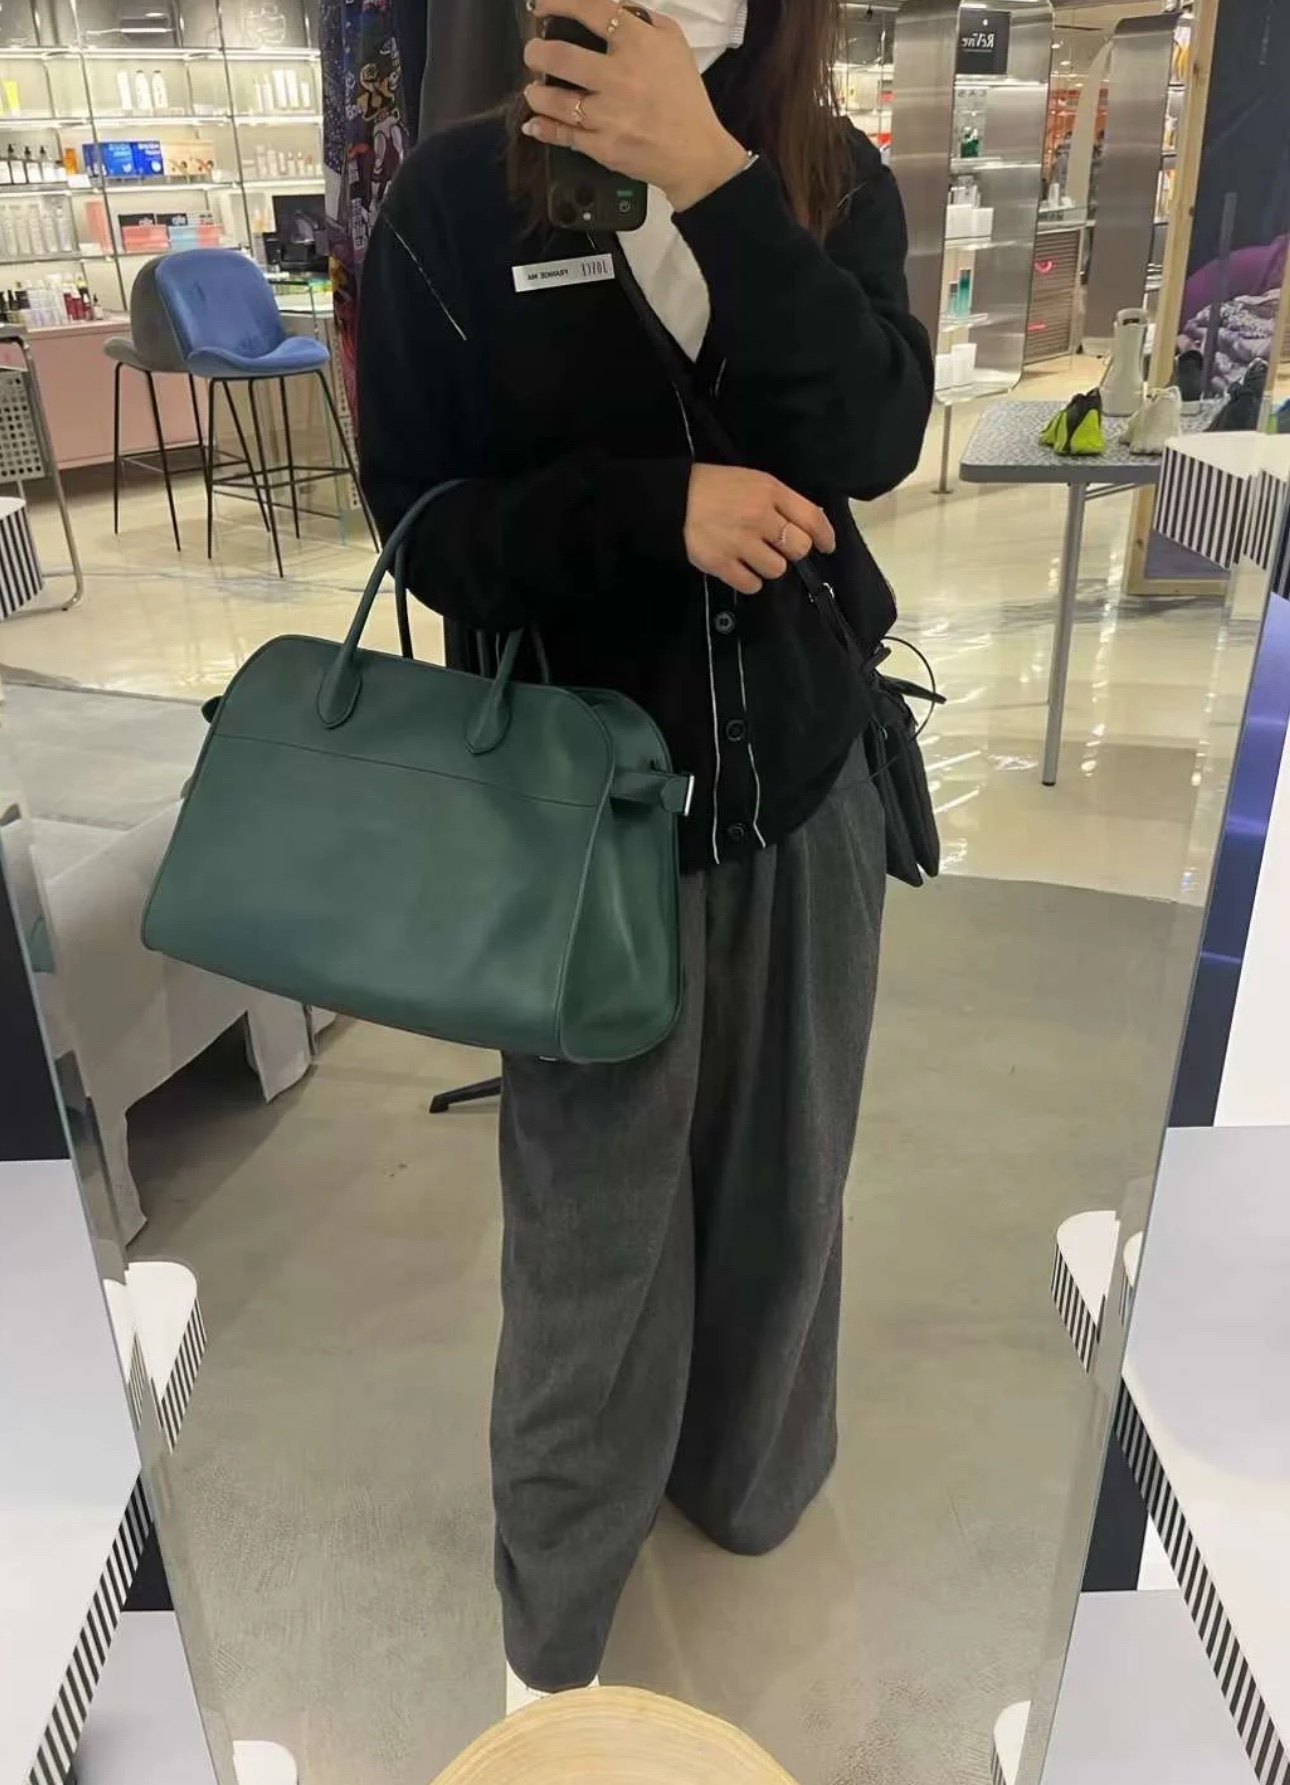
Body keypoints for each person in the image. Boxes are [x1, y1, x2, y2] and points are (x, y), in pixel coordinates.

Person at [356, 0, 932, 1709]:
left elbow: (873, 434)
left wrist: (711, 177)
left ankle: (744, 1483)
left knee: (786, 1184)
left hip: (805, 781)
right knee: (588, 1233)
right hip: (575, 817)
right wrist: (648, 510)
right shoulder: (455, 204)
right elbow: (421, 524)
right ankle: (551, 1634)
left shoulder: (828, 180)